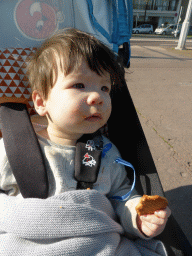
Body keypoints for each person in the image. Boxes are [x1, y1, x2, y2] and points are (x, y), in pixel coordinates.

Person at [0, 28, 171, 255]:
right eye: (79, 85)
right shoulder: (12, 149)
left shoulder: (107, 153)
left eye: (104, 88)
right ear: (41, 101)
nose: (98, 97)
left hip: (97, 242)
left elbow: (121, 197)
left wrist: (139, 218)